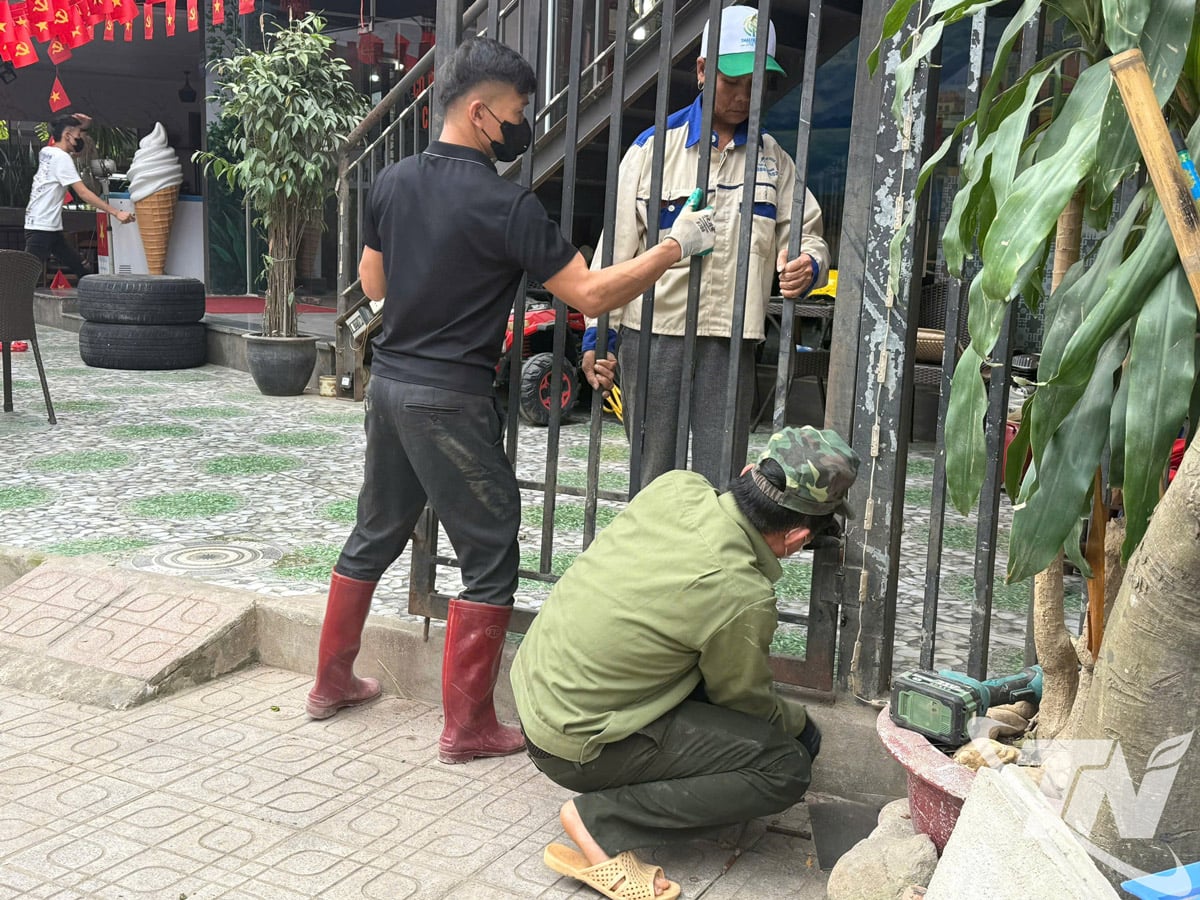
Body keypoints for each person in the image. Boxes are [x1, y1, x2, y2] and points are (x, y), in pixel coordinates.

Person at [304, 37, 718, 766]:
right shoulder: (507, 203)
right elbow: (589, 295)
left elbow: (374, 288)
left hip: (391, 386)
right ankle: (466, 728)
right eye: (519, 112)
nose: (523, 124)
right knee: (490, 554)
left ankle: (329, 683)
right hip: (453, 400)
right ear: (481, 111)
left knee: (377, 531)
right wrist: (673, 248)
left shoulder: (392, 181)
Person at [510, 425, 859, 899]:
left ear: (746, 472)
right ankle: (602, 825)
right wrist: (800, 726)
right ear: (798, 537)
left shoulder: (676, 487)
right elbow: (745, 700)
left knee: (700, 664)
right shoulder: (740, 592)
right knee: (784, 765)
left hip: (536, 694)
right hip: (576, 743)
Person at [583, 6, 832, 491]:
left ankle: (711, 565)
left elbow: (808, 234)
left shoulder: (773, 161)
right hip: (653, 337)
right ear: (701, 70)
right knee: (653, 477)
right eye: (730, 80)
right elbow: (612, 254)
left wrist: (808, 263)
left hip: (731, 342)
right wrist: (600, 336)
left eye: (754, 83)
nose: (742, 96)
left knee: (724, 479)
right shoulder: (652, 150)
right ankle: (655, 566)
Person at [25, 114, 134, 280]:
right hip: (41, 227)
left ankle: (93, 298)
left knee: (80, 267)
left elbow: (66, 136)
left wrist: (81, 126)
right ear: (68, 136)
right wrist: (116, 212)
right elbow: (83, 193)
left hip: (46, 226)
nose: (81, 139)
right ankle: (10, 303)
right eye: (78, 136)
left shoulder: (46, 152)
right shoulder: (62, 159)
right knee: (24, 277)